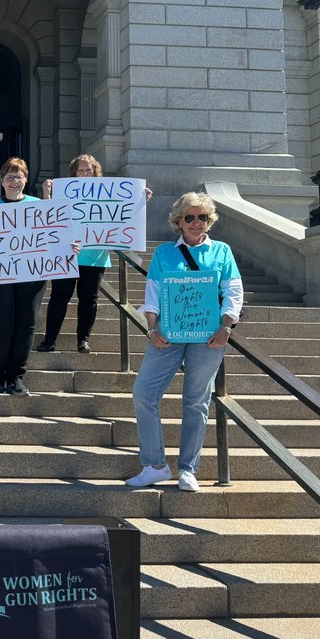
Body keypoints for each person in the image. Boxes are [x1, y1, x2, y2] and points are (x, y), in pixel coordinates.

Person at [126, 192, 243, 493]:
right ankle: (154, 465)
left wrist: (226, 327)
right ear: (178, 221)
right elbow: (152, 296)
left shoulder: (222, 252)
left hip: (209, 338)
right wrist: (151, 330)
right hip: (167, 335)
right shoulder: (164, 254)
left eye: (202, 217)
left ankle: (188, 469)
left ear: (209, 220)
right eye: (189, 217)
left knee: (196, 402)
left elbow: (233, 290)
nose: (195, 222)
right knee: (144, 393)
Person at [0, 158, 80, 397]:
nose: (14, 181)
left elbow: (54, 237)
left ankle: (16, 377)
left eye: (18, 176)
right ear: (1, 181)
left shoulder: (38, 206)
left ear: (26, 179)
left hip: (32, 274)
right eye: (9, 176)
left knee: (25, 323)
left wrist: (68, 248)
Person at [39, 155, 152, 354]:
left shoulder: (108, 194)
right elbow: (48, 216)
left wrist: (140, 200)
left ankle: (83, 340)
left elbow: (124, 214)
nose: (84, 174)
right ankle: (49, 340)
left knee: (89, 299)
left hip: (95, 256)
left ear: (95, 172)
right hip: (66, 254)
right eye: (80, 170)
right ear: (74, 173)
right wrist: (47, 194)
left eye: (88, 170)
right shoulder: (63, 192)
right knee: (59, 297)